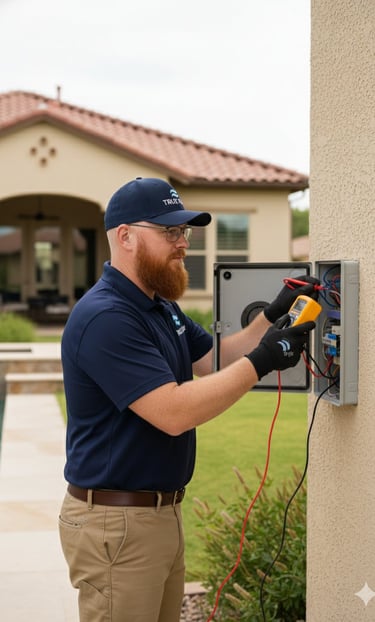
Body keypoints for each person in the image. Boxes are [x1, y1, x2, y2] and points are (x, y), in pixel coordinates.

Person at [59, 177, 317, 622]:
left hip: (156, 515)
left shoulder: (159, 305)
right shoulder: (106, 317)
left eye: (185, 233)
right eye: (170, 232)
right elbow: (174, 412)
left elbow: (214, 359)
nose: (183, 244)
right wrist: (265, 360)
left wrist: (271, 318)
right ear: (126, 237)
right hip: (116, 524)